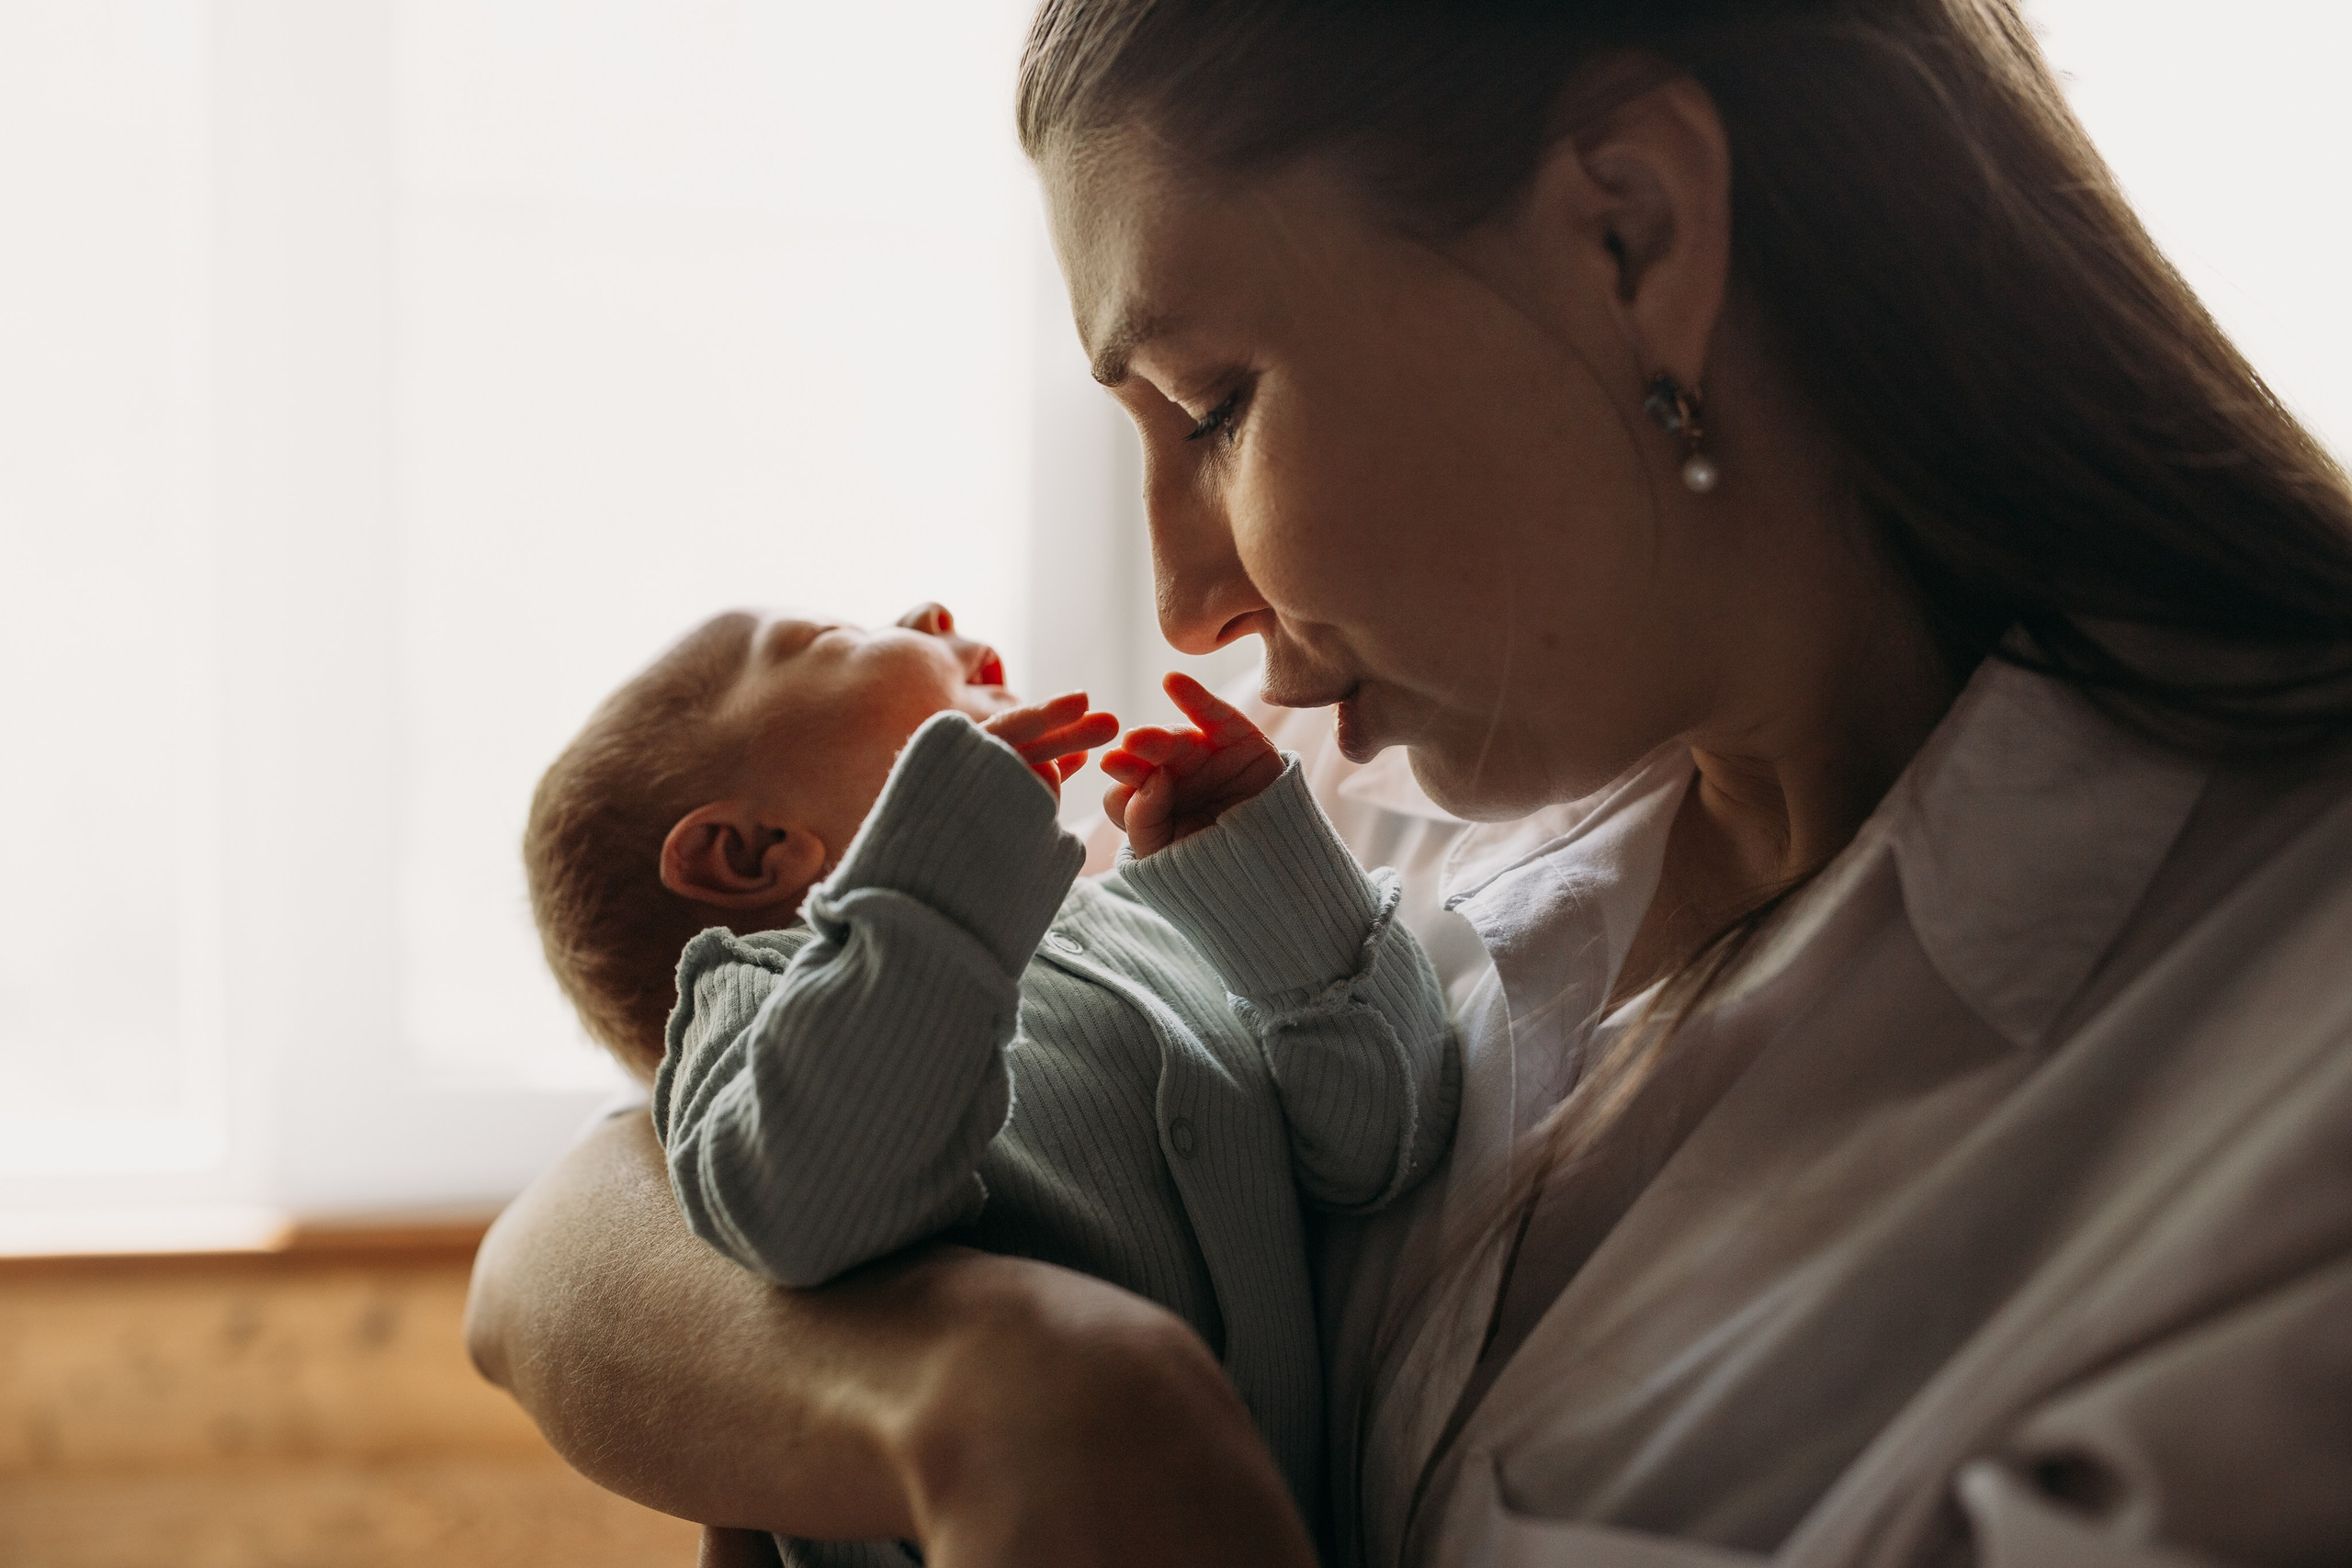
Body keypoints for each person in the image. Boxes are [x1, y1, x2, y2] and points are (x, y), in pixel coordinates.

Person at [468, 3, 2352, 1564]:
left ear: (1630, 234)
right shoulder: (1377, 805)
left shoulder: (2278, 1097)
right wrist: (993, 1392)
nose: (1186, 607)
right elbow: (563, 1246)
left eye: (1212, 404)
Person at [517, 602, 1456, 1566]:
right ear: (753, 850)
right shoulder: (752, 997)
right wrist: (944, 876)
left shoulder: (1136, 923)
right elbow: (801, 1212)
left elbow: (1381, 1145)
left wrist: (1273, 887)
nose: (931, 615)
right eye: (832, 636)